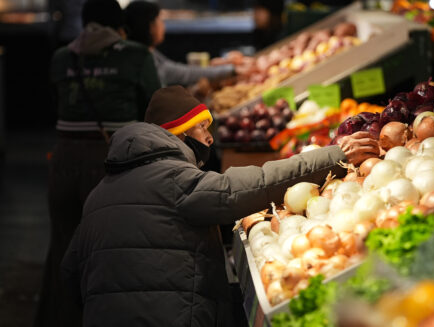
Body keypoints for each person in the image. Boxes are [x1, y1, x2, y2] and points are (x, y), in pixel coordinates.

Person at [60, 85, 378, 327]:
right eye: (202, 128)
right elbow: (240, 189)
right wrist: (330, 157)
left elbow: (70, 274)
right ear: (179, 133)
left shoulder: (99, 193)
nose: (210, 139)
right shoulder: (170, 178)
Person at [34, 0, 161, 326]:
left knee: (63, 249)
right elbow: (155, 109)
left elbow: (53, 105)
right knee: (109, 254)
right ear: (121, 26)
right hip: (110, 164)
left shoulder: (62, 57)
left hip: (62, 162)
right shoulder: (135, 55)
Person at [124, 1, 237, 87]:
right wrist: (231, 70)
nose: (163, 26)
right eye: (160, 21)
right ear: (151, 27)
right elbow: (182, 73)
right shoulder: (143, 59)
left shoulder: (143, 52)